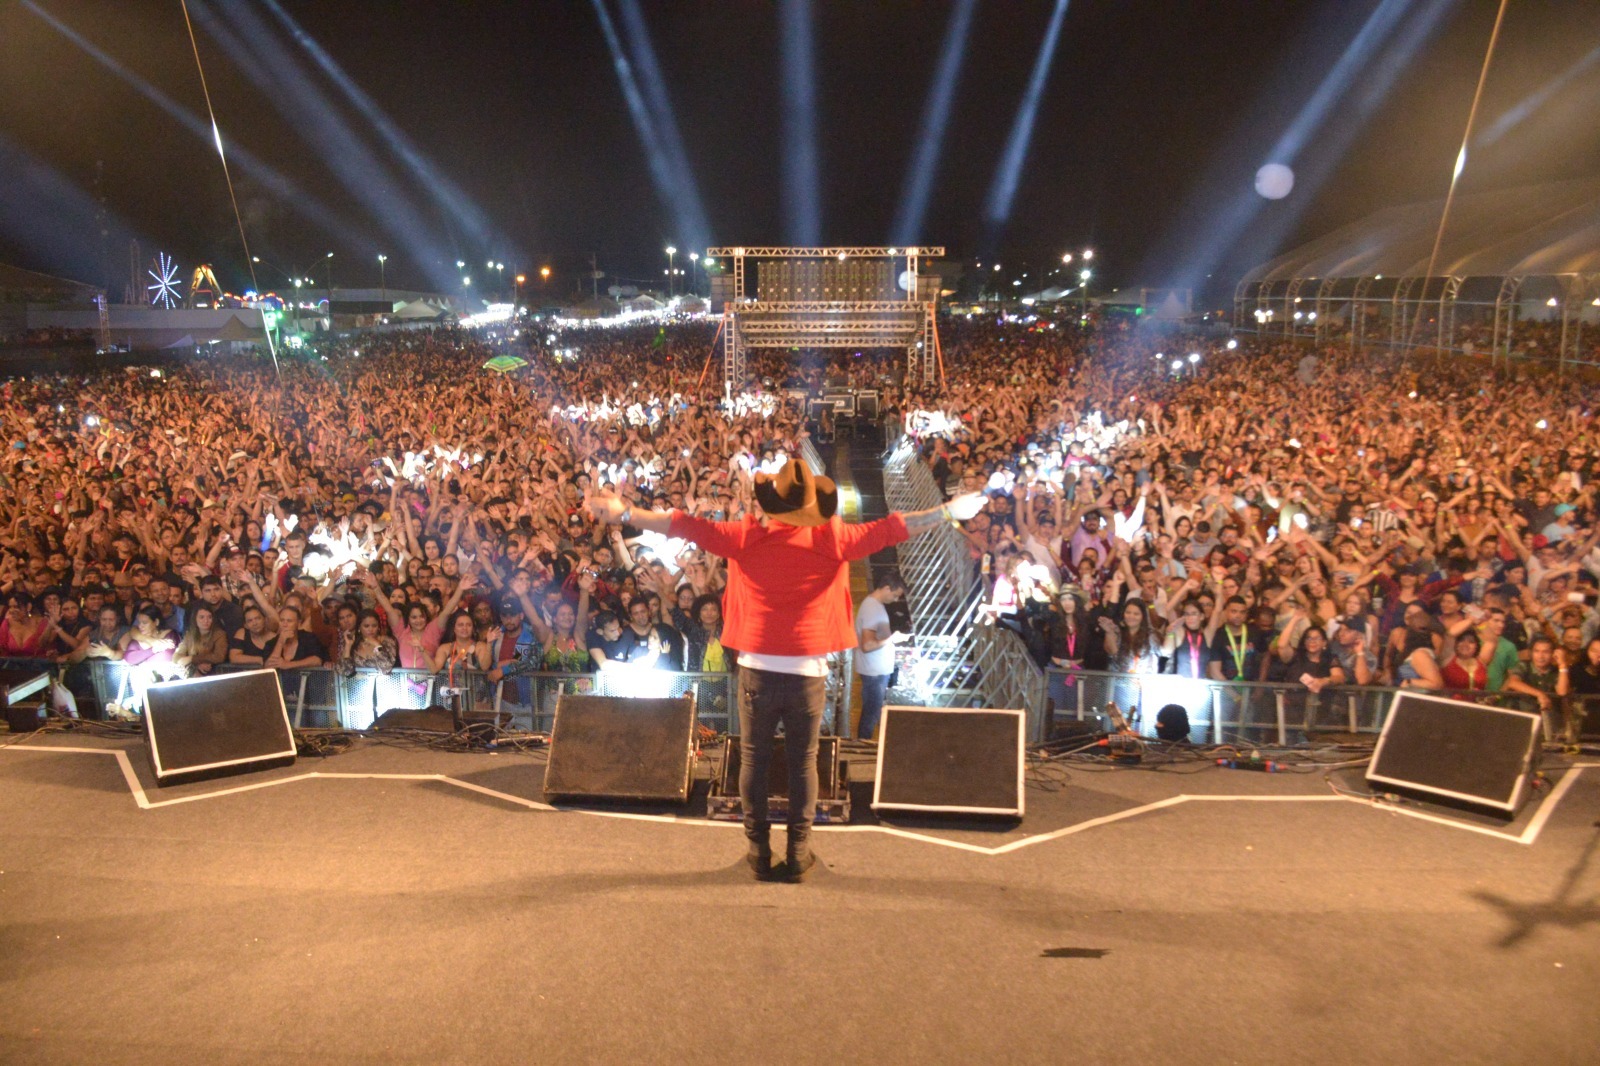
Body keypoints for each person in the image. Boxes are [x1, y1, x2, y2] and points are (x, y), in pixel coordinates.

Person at [587, 460, 983, 882]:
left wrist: (627, 513)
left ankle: (758, 850)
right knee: (803, 763)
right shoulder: (833, 539)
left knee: (753, 761)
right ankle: (798, 850)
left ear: (771, 503)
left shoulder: (746, 537)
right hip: (807, 671)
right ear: (812, 506)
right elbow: (892, 528)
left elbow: (683, 525)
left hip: (757, 669)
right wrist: (946, 511)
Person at [853, 573, 906, 741]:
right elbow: (867, 645)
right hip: (874, 673)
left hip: (875, 671)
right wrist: (892, 639)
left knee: (872, 712)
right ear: (887, 588)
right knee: (871, 714)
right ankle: (863, 746)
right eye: (895, 595)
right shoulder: (872, 608)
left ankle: (864, 744)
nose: (895, 600)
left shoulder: (874, 606)